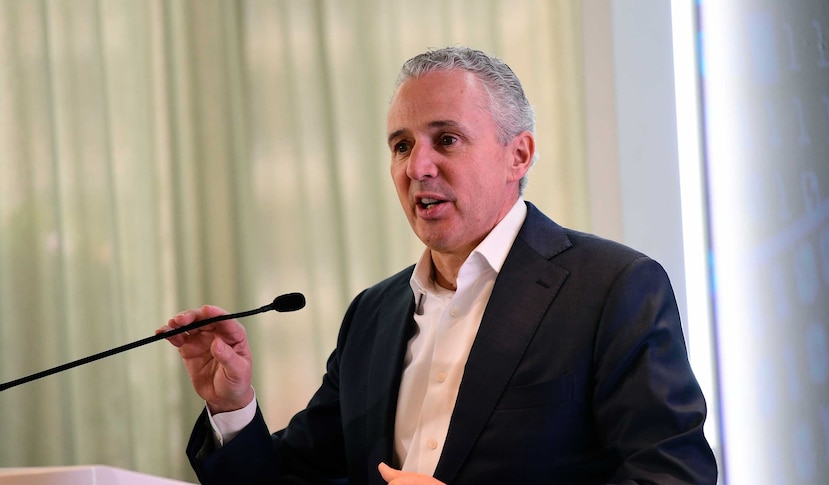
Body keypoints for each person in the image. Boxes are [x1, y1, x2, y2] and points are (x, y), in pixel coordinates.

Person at [159, 46, 718, 485]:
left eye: (445, 140)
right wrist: (232, 408)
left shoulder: (611, 289)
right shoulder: (373, 316)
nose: (417, 167)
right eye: (401, 146)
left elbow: (672, 476)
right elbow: (297, 476)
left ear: (517, 155)